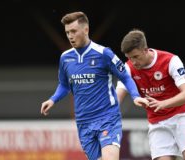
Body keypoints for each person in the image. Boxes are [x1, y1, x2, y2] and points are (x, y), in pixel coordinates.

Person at [40, 12, 148, 160]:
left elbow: (125, 76)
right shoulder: (65, 58)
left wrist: (135, 96)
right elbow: (64, 85)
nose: (70, 36)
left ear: (86, 30)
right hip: (84, 122)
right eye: (67, 32)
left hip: (107, 118)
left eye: (73, 31)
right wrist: (52, 100)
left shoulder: (104, 54)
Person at [116, 29, 185, 160]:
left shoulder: (171, 60)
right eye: (129, 58)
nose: (133, 62)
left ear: (145, 50)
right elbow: (117, 97)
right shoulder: (127, 68)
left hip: (183, 115)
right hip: (157, 122)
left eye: (136, 57)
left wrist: (163, 104)